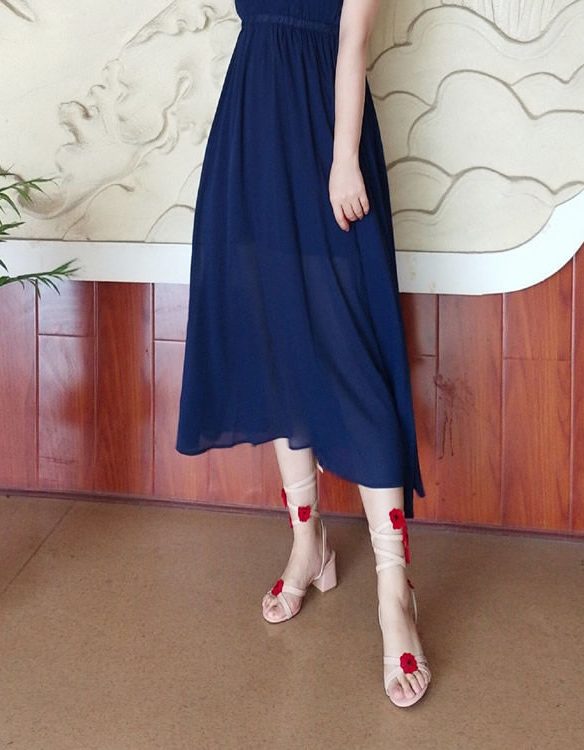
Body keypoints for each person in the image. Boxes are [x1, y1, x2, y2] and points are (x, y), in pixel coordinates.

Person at [176, 0, 430, 708]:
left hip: (325, 137)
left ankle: (394, 591)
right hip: (251, 132)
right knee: (275, 341)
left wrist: (345, 157)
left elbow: (354, 39)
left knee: (354, 356)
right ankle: (306, 543)